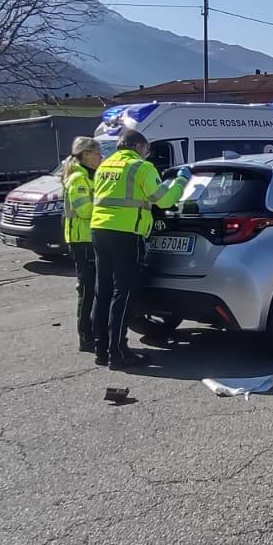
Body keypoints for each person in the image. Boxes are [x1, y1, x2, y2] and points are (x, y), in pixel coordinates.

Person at [88, 129, 190, 369]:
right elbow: (164, 201)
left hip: (99, 229)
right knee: (123, 292)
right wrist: (182, 181)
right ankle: (119, 353)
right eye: (146, 149)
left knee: (103, 290)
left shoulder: (105, 166)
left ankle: (101, 350)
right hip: (126, 233)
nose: (147, 154)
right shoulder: (141, 167)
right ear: (137, 146)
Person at [61, 136, 103, 354]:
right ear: (86, 155)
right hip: (82, 240)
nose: (101, 157)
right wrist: (109, 210)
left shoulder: (89, 176)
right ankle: (86, 337)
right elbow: (84, 211)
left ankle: (92, 334)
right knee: (87, 291)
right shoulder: (78, 178)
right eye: (97, 153)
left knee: (93, 289)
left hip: (89, 238)